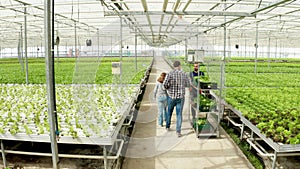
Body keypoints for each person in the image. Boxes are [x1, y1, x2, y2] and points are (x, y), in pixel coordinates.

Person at [163, 60, 191, 137]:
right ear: (179, 66)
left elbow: (164, 84)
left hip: (171, 97)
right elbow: (188, 84)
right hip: (180, 97)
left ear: (173, 66)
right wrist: (182, 85)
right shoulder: (184, 74)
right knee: (179, 114)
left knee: (169, 112)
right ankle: (178, 131)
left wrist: (169, 88)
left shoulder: (170, 74)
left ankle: (168, 126)